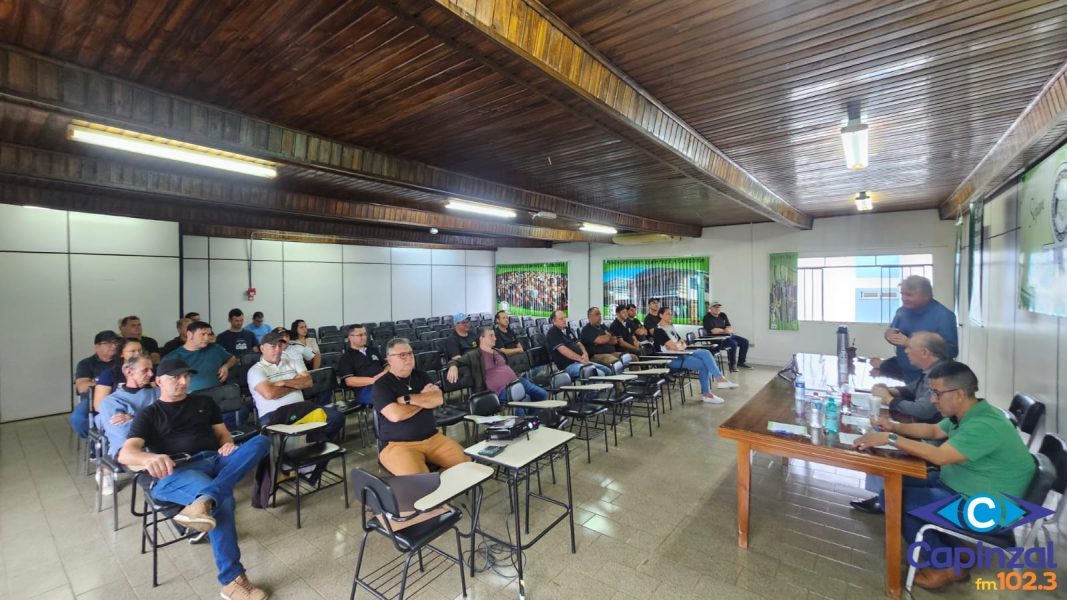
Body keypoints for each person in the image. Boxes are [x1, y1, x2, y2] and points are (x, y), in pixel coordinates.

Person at [853, 361, 1034, 591]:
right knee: (895, 485)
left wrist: (890, 439)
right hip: (960, 486)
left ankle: (945, 566)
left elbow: (939, 456)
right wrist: (893, 427)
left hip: (986, 509)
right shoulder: (969, 413)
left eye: (937, 393)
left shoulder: (984, 426)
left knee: (897, 500)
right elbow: (933, 430)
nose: (932, 400)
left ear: (958, 394)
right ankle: (956, 551)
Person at [119, 359, 272, 600]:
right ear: (158, 381)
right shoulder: (149, 414)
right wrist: (149, 458)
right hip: (178, 471)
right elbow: (126, 453)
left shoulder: (204, 402)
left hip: (215, 459)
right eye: (175, 377)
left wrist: (228, 444)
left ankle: (205, 500)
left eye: (186, 376)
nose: (183, 382)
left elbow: (223, 435)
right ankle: (232, 581)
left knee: (261, 441)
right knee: (223, 502)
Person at [850, 332, 950, 515]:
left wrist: (889, 400)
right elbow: (912, 390)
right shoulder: (932, 370)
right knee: (878, 431)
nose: (906, 352)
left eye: (910, 348)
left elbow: (923, 410)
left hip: (931, 440)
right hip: (925, 429)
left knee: (879, 445)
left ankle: (884, 498)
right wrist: (890, 390)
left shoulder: (942, 376)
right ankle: (883, 494)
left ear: (925, 352)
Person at [372, 338, 469, 475]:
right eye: (402, 355)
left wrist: (408, 399)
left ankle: (439, 482)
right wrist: (424, 400)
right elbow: (395, 415)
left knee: (467, 465)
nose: (408, 358)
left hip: (433, 438)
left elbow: (438, 399)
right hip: (398, 445)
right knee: (420, 482)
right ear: (389, 359)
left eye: (410, 353)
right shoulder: (381, 385)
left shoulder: (422, 376)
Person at [247, 330, 343, 439]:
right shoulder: (255, 370)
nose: (278, 350)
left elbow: (308, 382)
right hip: (273, 414)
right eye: (273, 346)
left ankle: (309, 442)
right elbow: (270, 393)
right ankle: (309, 441)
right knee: (287, 433)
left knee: (336, 418)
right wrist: (296, 384)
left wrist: (283, 383)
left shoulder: (292, 362)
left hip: (301, 409)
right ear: (262, 348)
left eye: (280, 346)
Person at [871, 275, 958, 383]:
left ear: (926, 295)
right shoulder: (902, 311)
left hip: (931, 377)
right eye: (902, 294)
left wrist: (909, 343)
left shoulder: (944, 316)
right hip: (904, 370)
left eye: (909, 295)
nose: (904, 298)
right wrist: (889, 335)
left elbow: (951, 351)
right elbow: (893, 331)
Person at [95, 355, 160, 495]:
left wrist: (133, 417)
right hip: (129, 449)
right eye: (145, 370)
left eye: (151, 369)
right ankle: (105, 471)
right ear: (129, 372)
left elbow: (172, 418)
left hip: (159, 444)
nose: (151, 374)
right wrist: (155, 420)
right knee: (156, 483)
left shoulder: (158, 393)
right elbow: (124, 433)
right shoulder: (111, 402)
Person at [652, 306, 736, 404]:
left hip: (682, 353)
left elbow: (683, 343)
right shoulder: (659, 330)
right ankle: (707, 394)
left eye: (671, 314)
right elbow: (674, 347)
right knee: (703, 365)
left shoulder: (670, 327)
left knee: (705, 352)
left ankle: (720, 379)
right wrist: (679, 345)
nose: (670, 316)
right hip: (672, 359)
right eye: (668, 314)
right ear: (661, 315)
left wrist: (679, 345)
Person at [446, 326, 549, 404]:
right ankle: (523, 422)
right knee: (525, 399)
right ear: (481, 338)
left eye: (494, 335)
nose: (495, 338)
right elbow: (454, 361)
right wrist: (453, 367)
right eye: (491, 336)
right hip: (500, 390)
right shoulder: (474, 355)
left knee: (542, 394)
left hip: (517, 381)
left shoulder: (498, 351)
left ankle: (532, 418)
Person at [70, 330, 121, 438]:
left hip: (118, 397)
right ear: (97, 347)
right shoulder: (86, 363)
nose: (113, 346)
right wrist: (107, 383)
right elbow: (82, 387)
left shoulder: (122, 361)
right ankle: (94, 441)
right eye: (107, 343)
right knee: (78, 419)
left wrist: (95, 382)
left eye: (115, 342)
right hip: (92, 399)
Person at [162, 321, 236, 393]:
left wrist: (226, 366)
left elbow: (232, 359)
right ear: (190, 335)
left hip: (218, 394)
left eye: (208, 334)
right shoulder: (172, 357)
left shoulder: (215, 348)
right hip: (189, 397)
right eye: (203, 334)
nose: (207, 338)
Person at [546, 309, 612, 380]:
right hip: (568, 365)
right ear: (554, 321)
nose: (564, 320)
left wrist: (585, 353)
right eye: (561, 319)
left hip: (579, 361)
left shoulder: (567, 329)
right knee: (599, 374)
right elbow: (563, 350)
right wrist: (580, 359)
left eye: (564, 318)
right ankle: (593, 387)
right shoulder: (552, 333)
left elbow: (579, 343)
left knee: (607, 370)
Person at [338, 325, 388, 406]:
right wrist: (374, 380)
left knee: (402, 389)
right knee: (387, 396)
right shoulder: (346, 357)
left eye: (365, 334)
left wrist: (384, 373)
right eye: (360, 335)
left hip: (384, 382)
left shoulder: (373, 350)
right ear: (350, 337)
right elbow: (349, 381)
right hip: (365, 389)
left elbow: (387, 366)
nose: (364, 337)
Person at [93, 337, 147, 411]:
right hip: (116, 413)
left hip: (144, 412)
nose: (138, 354)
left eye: (140, 350)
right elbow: (99, 406)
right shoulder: (109, 374)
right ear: (121, 353)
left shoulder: (149, 373)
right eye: (133, 351)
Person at [703, 302, 751, 372]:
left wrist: (724, 330)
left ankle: (741, 362)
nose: (717, 308)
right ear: (710, 309)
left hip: (728, 335)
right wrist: (725, 330)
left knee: (745, 342)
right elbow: (714, 331)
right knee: (733, 344)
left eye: (718, 307)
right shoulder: (707, 318)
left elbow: (730, 327)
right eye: (715, 307)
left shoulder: (723, 315)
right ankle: (732, 365)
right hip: (717, 338)